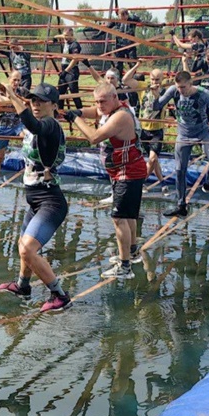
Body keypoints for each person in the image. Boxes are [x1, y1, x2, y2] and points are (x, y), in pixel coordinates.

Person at [0, 83, 72, 312]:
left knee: (28, 249)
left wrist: (12, 96)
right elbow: (28, 126)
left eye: (41, 101)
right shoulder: (36, 126)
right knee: (22, 246)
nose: (35, 104)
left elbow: (33, 124)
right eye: (32, 100)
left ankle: (59, 295)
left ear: (54, 106)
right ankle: (22, 286)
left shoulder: (49, 125)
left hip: (51, 201)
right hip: (35, 199)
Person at [66, 82, 147, 279]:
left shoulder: (120, 116)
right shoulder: (116, 109)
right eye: (96, 102)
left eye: (103, 101)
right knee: (129, 216)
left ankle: (124, 265)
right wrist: (80, 111)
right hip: (125, 170)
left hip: (128, 172)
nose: (99, 105)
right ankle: (133, 251)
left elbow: (94, 137)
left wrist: (75, 119)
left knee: (119, 218)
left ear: (114, 98)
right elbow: (96, 112)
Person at [157, 70, 209, 218]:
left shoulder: (204, 94)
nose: (180, 90)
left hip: (203, 132)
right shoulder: (174, 91)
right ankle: (181, 205)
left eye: (183, 87)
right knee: (179, 170)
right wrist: (156, 93)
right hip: (184, 135)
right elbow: (155, 107)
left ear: (191, 83)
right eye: (178, 87)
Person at [0, 70, 24, 193]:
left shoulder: (21, 92)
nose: (16, 82)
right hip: (2, 126)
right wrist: (14, 101)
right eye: (14, 79)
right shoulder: (1, 90)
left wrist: (16, 101)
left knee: (27, 138)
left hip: (17, 124)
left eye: (19, 80)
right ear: (9, 79)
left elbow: (26, 103)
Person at [135, 67, 168, 191]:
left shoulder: (165, 91)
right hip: (143, 129)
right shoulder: (144, 86)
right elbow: (126, 80)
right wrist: (137, 65)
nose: (155, 82)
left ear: (162, 79)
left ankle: (142, 181)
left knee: (153, 158)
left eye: (158, 80)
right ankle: (163, 182)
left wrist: (155, 91)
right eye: (153, 79)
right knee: (154, 160)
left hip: (157, 130)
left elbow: (158, 102)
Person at [57, 27, 85, 110]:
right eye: (64, 36)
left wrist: (66, 71)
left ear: (72, 35)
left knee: (74, 93)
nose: (64, 37)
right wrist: (55, 38)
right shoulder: (66, 42)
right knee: (60, 93)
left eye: (66, 36)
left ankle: (81, 112)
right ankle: (60, 112)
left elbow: (75, 59)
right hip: (64, 69)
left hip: (71, 70)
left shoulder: (75, 45)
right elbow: (60, 36)